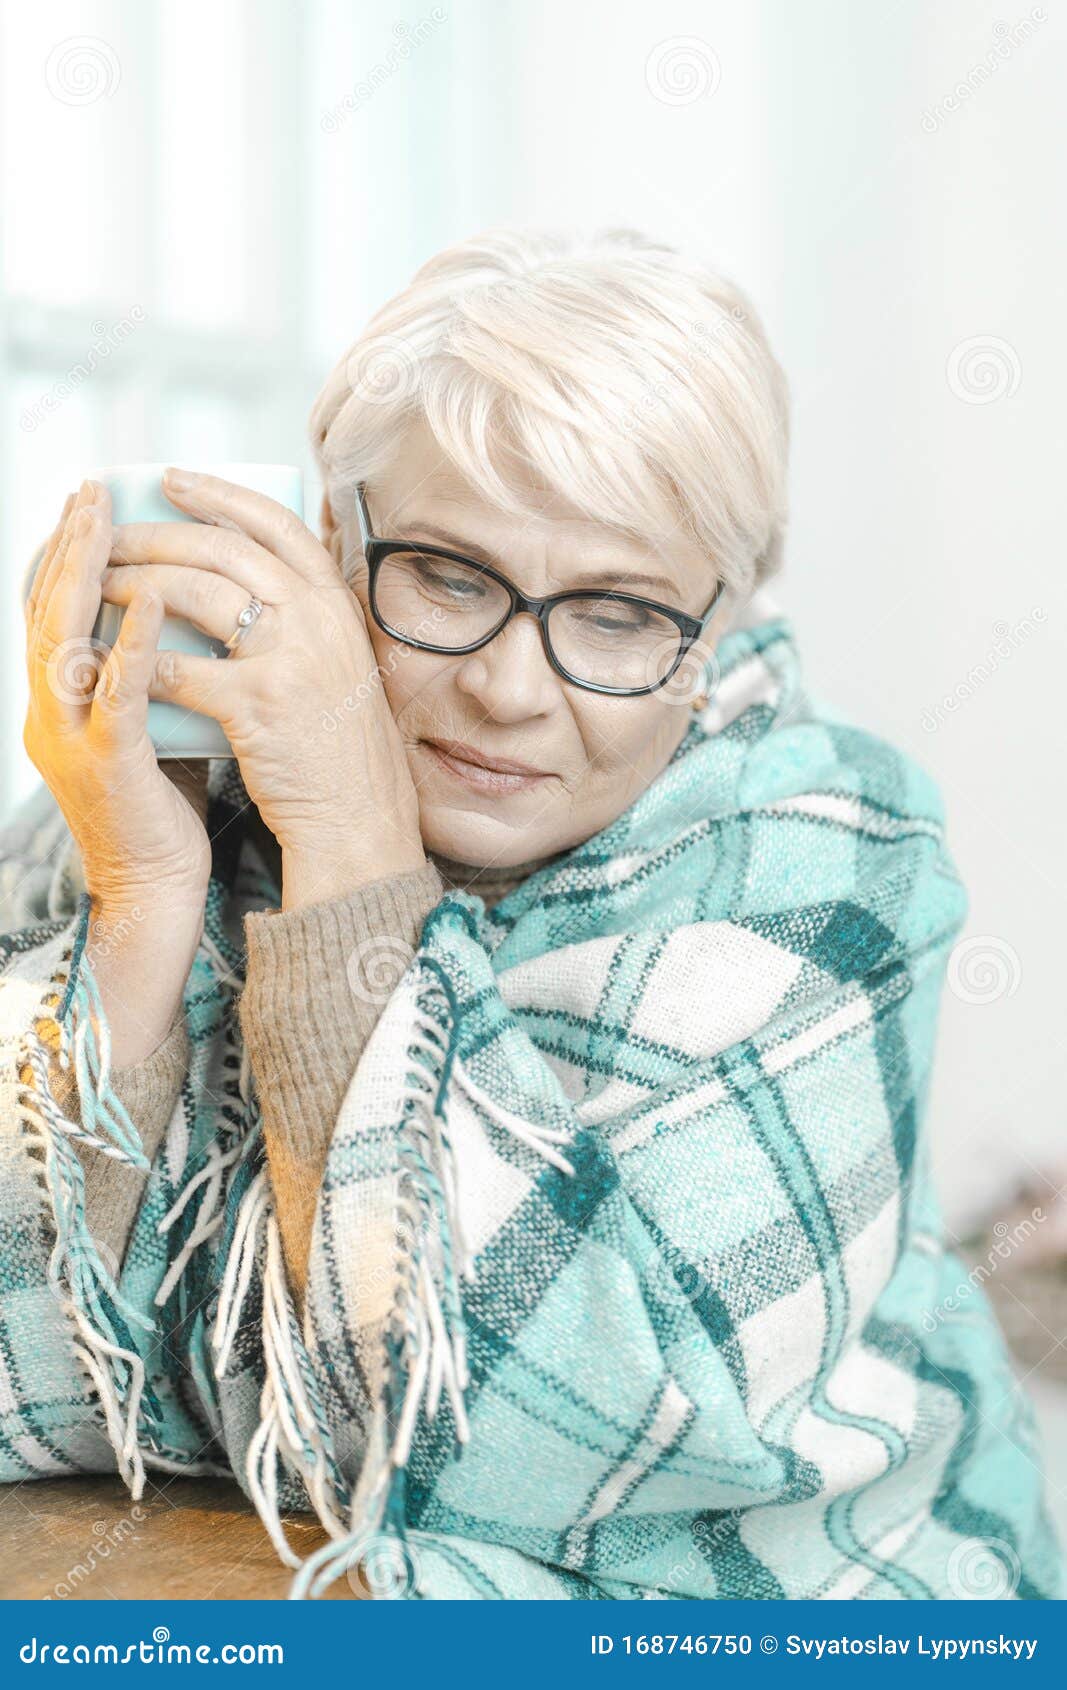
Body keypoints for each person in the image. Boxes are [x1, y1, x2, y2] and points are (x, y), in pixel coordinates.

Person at [0, 227, 1061, 1600]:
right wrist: (145, 897)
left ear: (728, 623)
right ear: (331, 543)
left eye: (618, 615)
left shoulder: (834, 852)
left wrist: (353, 844)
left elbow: (573, 1455)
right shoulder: (165, 791)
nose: (509, 687)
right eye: (447, 574)